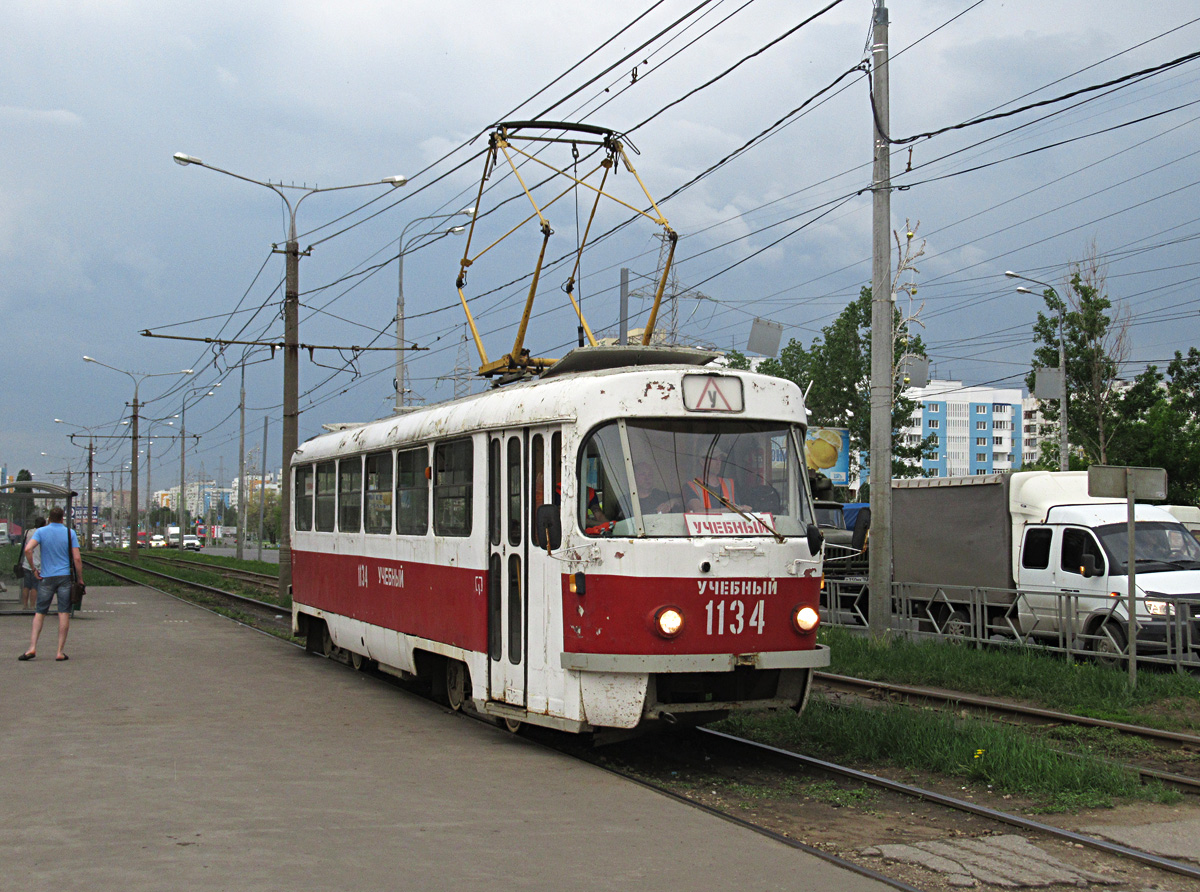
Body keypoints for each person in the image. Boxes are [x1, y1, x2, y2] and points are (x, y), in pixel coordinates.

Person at [18, 506, 82, 662]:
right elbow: (77, 559)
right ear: (62, 518)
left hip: (46, 577)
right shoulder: (69, 533)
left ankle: (32, 648)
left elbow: (28, 549)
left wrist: (34, 568)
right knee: (63, 612)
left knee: (40, 612)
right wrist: (80, 578)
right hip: (65, 577)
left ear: (48, 518)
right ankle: (60, 652)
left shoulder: (41, 532)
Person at [17, 517, 46, 610]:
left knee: (26, 586)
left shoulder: (27, 532)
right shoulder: (43, 533)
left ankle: (25, 605)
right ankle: (32, 606)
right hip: (37, 564)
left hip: (26, 562)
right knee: (35, 586)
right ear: (43, 524)